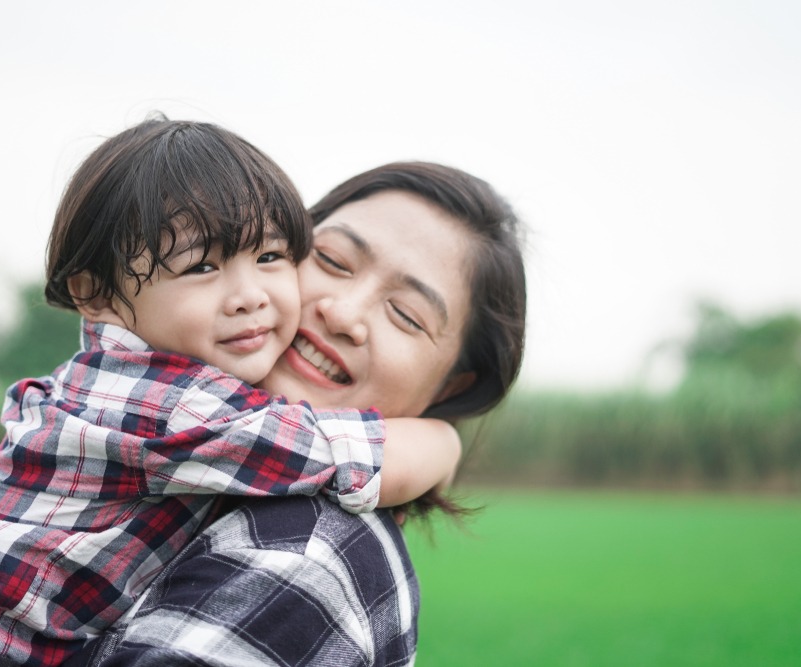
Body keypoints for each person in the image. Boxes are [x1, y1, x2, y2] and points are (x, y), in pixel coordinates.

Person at [0, 121, 462, 667]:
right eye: (202, 266)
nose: (249, 295)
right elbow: (346, 455)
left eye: (270, 256)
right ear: (98, 293)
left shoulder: (104, 378)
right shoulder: (170, 406)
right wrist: (444, 444)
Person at [66, 160, 528, 666]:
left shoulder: (307, 545)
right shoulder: (124, 417)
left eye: (406, 315)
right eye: (331, 259)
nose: (344, 313)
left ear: (451, 385)